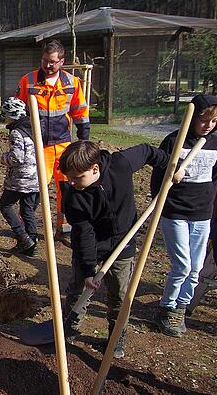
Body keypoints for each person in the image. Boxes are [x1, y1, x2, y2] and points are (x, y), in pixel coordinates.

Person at [60, 140, 170, 359]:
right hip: (93, 245)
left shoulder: (120, 164)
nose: (71, 182)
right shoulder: (73, 197)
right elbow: (84, 234)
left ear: (95, 169)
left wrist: (170, 166)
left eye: (77, 177)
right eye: (68, 177)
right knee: (79, 289)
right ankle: (69, 329)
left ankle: (116, 338)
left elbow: (147, 151)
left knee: (119, 294)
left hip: (123, 241)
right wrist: (89, 270)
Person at [150, 94, 217, 337]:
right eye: (204, 120)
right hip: (174, 212)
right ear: (192, 118)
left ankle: (181, 307)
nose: (209, 125)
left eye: (214, 121)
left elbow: (215, 178)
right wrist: (161, 198)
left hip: (202, 214)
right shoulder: (174, 141)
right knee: (182, 265)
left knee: (196, 268)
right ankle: (167, 307)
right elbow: (157, 177)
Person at [16, 39, 90, 246]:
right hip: (38, 146)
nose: (48, 65)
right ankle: (27, 232)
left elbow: (80, 110)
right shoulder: (29, 80)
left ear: (62, 61)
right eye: (45, 61)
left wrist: (84, 137)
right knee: (33, 189)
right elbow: (19, 111)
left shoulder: (72, 82)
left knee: (67, 188)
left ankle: (63, 230)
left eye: (53, 62)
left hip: (64, 145)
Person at [0, 97, 40, 257]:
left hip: (21, 179)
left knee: (5, 205)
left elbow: (17, 157)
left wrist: (4, 158)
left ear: (12, 115)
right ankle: (32, 245)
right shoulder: (33, 127)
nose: (4, 118)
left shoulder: (16, 132)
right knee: (27, 210)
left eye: (5, 115)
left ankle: (23, 237)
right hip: (35, 177)